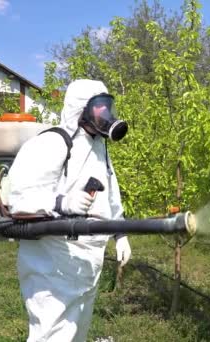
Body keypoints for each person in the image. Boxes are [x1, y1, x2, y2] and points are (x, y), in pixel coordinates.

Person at [8, 79, 132, 342]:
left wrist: (120, 235)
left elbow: (112, 198)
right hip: (52, 260)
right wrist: (62, 203)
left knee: (77, 331)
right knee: (52, 334)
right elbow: (18, 197)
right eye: (99, 107)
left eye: (107, 106)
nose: (105, 114)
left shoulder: (100, 150)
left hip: (87, 262)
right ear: (81, 108)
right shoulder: (53, 143)